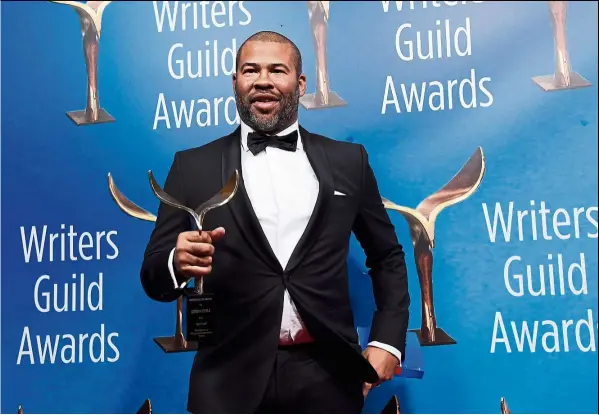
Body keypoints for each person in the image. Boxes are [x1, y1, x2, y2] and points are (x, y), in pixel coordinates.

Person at [140, 30, 410, 414]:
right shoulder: (191, 168)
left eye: (277, 70)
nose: (263, 80)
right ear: (235, 82)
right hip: (226, 381)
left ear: (300, 84)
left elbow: (387, 257)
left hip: (329, 378)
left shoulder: (349, 161)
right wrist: (175, 263)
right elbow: (153, 275)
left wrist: (386, 342)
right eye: (250, 70)